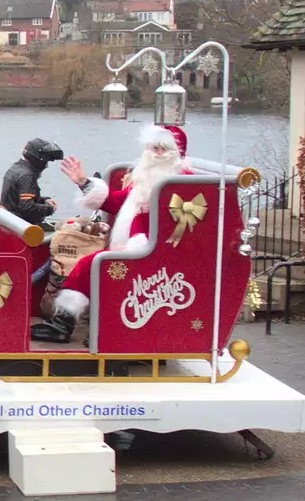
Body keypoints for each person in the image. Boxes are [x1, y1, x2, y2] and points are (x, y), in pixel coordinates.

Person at [32, 124, 193, 343]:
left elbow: (173, 226)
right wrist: (83, 182)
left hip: (153, 253)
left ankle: (101, 329)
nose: (155, 153)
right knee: (88, 266)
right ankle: (65, 323)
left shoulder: (181, 184)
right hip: (131, 249)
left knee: (96, 265)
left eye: (161, 148)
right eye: (151, 147)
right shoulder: (144, 181)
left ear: (176, 153)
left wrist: (134, 246)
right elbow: (114, 201)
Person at [0, 139, 65, 226]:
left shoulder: (16, 168)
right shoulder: (27, 176)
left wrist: (44, 200)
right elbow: (27, 207)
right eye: (45, 161)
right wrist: (50, 209)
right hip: (20, 227)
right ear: (38, 159)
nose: (46, 165)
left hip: (8, 222)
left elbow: (18, 197)